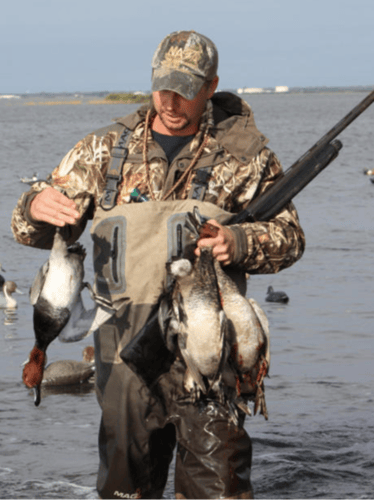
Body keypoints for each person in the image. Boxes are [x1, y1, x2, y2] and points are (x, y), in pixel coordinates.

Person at [12, 30, 305, 500]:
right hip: (123, 356)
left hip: (208, 357)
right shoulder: (103, 150)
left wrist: (241, 240)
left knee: (220, 488)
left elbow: (291, 239)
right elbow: (30, 230)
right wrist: (33, 207)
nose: (169, 101)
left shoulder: (246, 158)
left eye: (185, 89)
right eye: (162, 85)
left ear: (210, 87)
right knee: (125, 490)